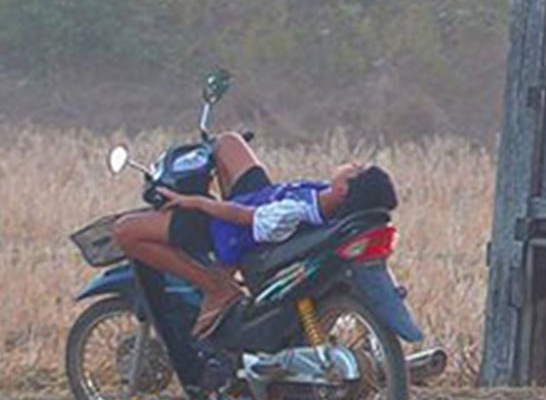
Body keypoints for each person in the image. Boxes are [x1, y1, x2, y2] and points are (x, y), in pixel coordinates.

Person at [109, 132, 399, 339]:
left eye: (356, 169)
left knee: (125, 231)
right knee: (228, 142)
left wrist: (194, 202)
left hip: (228, 230)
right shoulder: (327, 198)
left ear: (343, 190)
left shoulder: (291, 212)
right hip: (259, 199)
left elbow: (240, 217)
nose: (353, 163)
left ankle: (215, 287)